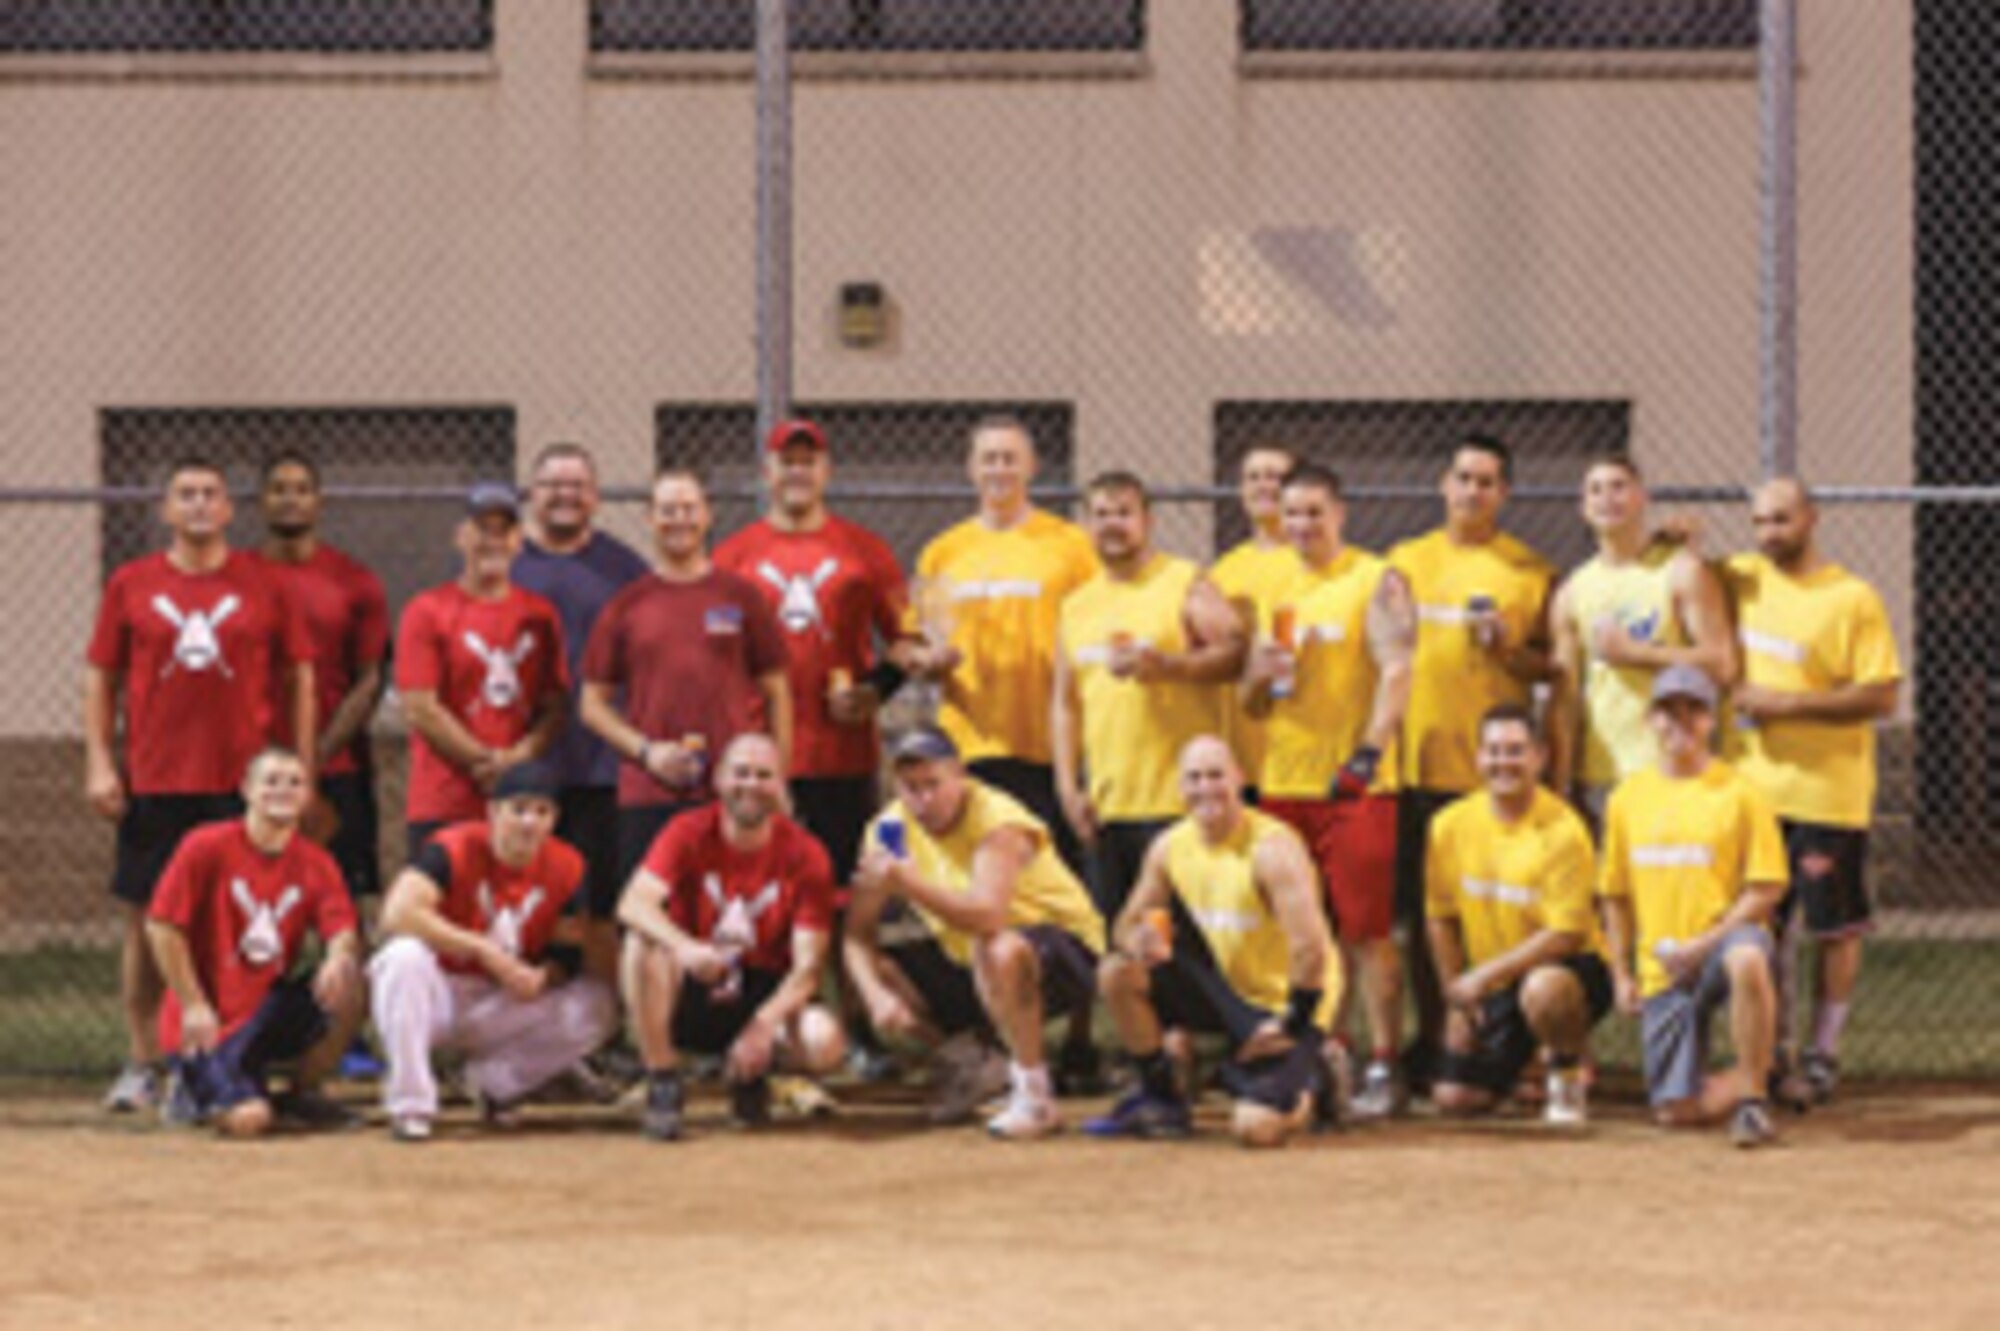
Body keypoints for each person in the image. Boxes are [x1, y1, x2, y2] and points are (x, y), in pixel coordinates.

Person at [85, 457, 315, 1112]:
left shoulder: (264, 583)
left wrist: (299, 767)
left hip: (243, 787)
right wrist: (101, 760)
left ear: (228, 510)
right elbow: (100, 675)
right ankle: (143, 1061)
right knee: (148, 921)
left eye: (210, 493)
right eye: (184, 494)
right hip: (158, 779)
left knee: (240, 922)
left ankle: (233, 1054)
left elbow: (299, 675)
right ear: (165, 510)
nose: (197, 504)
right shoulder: (133, 584)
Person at [713, 418, 915, 1079]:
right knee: (753, 900)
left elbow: (903, 640)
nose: (797, 472)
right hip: (760, 765)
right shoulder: (736, 554)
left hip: (841, 756)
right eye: (785, 461)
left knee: (846, 898)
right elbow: (714, 650)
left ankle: (856, 1030)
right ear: (766, 474)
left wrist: (876, 688)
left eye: (809, 460)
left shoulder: (863, 549)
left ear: (826, 471)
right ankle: (751, 1031)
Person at [1242, 463, 1416, 1118]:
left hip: (1353, 784)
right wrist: (1258, 675)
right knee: (1303, 927)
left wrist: (1370, 753)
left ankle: (1385, 1061)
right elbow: (1254, 705)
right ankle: (1326, 1052)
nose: (1302, 525)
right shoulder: (1276, 591)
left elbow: (1398, 668)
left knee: (1367, 928)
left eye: (1314, 511)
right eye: (1292, 513)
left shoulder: (1375, 579)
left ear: (1340, 514)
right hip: (1286, 781)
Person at [1724, 478, 1902, 1106]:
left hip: (1829, 794)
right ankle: (1770, 1051)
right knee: (1759, 932)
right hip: (1756, 793)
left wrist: (1787, 703)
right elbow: (1682, 577)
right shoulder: (1743, 578)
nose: (1768, 532)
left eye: (1780, 519)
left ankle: (1824, 1052)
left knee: (1834, 929)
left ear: (1810, 518)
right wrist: (1678, 540)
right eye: (1759, 522)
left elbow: (1881, 695)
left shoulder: (1852, 597)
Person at [1387, 434, 1556, 1089]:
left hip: (1487, 777)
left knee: (1492, 918)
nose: (1472, 491)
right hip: (1414, 767)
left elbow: (1551, 664)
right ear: (1443, 484)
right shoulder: (1405, 561)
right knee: (1423, 921)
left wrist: (1511, 650)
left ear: (1504, 492)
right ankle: (1431, 1038)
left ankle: (1512, 1044)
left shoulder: (1527, 570)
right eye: (1463, 478)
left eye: (1487, 481)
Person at [845, 726, 1105, 1140]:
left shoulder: (998, 820)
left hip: (1064, 951)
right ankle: (975, 1062)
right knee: (883, 968)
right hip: (969, 957)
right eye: (910, 787)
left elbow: (987, 915)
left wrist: (908, 883)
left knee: (998, 948)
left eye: (933, 784)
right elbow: (856, 935)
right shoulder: (888, 831)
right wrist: (875, 996)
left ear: (960, 776)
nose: (923, 799)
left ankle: (1034, 1096)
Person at [1085, 737, 1341, 1149]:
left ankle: (1313, 1082)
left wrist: (1294, 1022)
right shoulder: (1170, 846)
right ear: (1179, 787)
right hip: (1225, 986)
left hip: (1285, 999)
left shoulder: (1273, 850)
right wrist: (1140, 939)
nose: (1206, 788)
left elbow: (1310, 948)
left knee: (1254, 1128)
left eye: (1216, 775)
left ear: (1240, 779)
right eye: (1194, 778)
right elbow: (1124, 925)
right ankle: (1161, 1096)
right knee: (1117, 971)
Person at [369, 764, 617, 1142]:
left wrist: (542, 977)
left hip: (499, 1000)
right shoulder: (453, 847)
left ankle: (493, 1083)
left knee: (596, 1004)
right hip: (438, 992)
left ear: (554, 820)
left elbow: (565, 952)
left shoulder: (567, 865)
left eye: (542, 812)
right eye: (518, 810)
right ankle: (411, 1105)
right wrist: (480, 948)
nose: (529, 823)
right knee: (402, 956)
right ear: (493, 813)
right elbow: (397, 912)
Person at [618, 734, 847, 1141]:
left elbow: (808, 967)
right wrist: (685, 946)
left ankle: (755, 1076)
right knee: (642, 944)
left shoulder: (806, 853)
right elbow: (633, 903)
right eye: (740, 773)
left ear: (781, 785)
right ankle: (663, 1078)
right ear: (719, 780)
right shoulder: (687, 831)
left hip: (759, 988)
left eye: (764, 775)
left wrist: (763, 1025)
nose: (751, 785)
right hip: (695, 980)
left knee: (823, 1041)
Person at [1599, 665, 1785, 1148]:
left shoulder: (1739, 792)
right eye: (1668, 710)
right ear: (1649, 720)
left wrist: (1706, 943)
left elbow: (1765, 889)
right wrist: (1622, 974)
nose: (1680, 721)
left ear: (1711, 721)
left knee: (1747, 958)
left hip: (1721, 944)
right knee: (1676, 1112)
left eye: (1694, 710)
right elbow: (1615, 895)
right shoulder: (1627, 798)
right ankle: (1761, 1064)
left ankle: (1753, 1101)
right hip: (1664, 964)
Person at [581, 469, 792, 884]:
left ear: (708, 515)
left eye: (689, 509)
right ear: (649, 519)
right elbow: (591, 704)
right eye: (668, 510)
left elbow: (778, 692)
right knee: (650, 916)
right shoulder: (627, 604)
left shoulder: (741, 596)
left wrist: (776, 774)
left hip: (733, 791)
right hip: (650, 793)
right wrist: (647, 753)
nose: (679, 519)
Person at [908, 415, 1098, 865]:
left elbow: (1096, 623)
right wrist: (928, 659)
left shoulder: (1070, 544)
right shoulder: (944, 550)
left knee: (1046, 875)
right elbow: (914, 639)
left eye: (1010, 459)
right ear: (972, 470)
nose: (999, 469)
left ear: (1031, 467)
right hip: (967, 743)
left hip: (1047, 742)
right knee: (979, 872)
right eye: (989, 459)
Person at [1053, 470, 1243, 919]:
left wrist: (1169, 666)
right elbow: (1064, 703)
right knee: (1118, 945)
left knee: (1181, 952)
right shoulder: (1076, 604)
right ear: (1086, 525)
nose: (1113, 524)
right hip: (1108, 804)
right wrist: (1067, 786)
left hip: (1180, 802)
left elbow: (1235, 654)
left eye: (1124, 512)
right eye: (1101, 514)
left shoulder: (1184, 582)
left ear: (1148, 521)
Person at [147, 748, 363, 1136]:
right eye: (271, 781)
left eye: (295, 783)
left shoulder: (316, 862)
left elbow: (341, 928)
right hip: (209, 1021)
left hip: (264, 1009)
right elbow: (162, 926)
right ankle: (195, 1092)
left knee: (353, 981)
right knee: (251, 1121)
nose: (283, 791)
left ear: (308, 795)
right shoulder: (206, 846)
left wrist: (337, 955)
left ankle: (299, 1091)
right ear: (246, 789)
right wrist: (192, 1003)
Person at [1424, 704, 1611, 1126]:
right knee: (1455, 1097)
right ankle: (1525, 1070)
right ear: (1477, 757)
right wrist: (1457, 996)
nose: (1502, 763)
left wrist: (1482, 977)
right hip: (1498, 980)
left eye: (1515, 751)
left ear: (1540, 757)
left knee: (1543, 990)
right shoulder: (1448, 826)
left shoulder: (1563, 830)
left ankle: (1565, 1072)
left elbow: (1565, 934)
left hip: (1569, 970)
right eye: (1493, 751)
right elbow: (1441, 917)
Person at [511, 442, 650, 990]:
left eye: (576, 485)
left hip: (600, 767)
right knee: (535, 906)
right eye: (552, 484)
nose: (565, 495)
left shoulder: (624, 568)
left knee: (600, 909)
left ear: (595, 496)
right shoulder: (509, 563)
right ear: (532, 495)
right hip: (526, 765)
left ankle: (609, 1027)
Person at [1550, 454, 1735, 814]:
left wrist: (1638, 653)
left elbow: (1722, 663)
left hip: (1672, 768)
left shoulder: (1681, 571)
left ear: (1641, 497)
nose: (1608, 498)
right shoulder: (1573, 591)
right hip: (1602, 776)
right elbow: (1565, 697)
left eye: (1619, 487)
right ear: (1583, 508)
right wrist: (1559, 782)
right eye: (1596, 490)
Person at [394, 482, 569, 856]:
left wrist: (517, 760)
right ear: (460, 536)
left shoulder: (539, 614)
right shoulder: (427, 611)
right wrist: (482, 761)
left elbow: (555, 705)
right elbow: (420, 707)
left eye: (502, 531)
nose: (493, 542)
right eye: (481, 530)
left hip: (520, 804)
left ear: (518, 540)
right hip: (443, 799)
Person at [254, 451, 391, 901]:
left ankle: (345, 972)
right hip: (252, 764)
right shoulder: (239, 578)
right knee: (255, 890)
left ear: (319, 501)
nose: (290, 500)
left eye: (301, 489)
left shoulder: (354, 581)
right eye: (278, 489)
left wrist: (314, 756)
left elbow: (370, 679)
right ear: (261, 501)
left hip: (336, 765)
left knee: (342, 895)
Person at [1208, 444, 1297, 791]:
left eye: (1275, 476)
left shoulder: (1314, 563)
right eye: (1253, 477)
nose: (1263, 485)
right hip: (1245, 754)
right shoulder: (1224, 571)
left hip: (1301, 750)